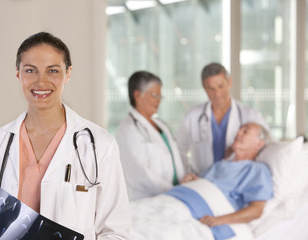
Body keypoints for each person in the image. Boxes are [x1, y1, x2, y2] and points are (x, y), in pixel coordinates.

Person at [0, 32, 131, 240]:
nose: (41, 81)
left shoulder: (99, 144)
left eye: (53, 71)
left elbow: (116, 231)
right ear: (18, 74)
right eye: (30, 70)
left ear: (68, 73)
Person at [129, 123, 273, 240]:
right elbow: (203, 186)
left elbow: (257, 210)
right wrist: (189, 182)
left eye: (245, 131)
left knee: (145, 232)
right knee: (124, 214)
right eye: (240, 129)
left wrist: (219, 220)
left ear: (259, 144)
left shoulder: (256, 170)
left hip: (195, 212)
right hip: (171, 198)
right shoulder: (220, 165)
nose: (239, 133)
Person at [176, 62, 269, 175]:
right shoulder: (192, 117)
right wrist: (187, 173)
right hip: (202, 180)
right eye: (211, 88)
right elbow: (179, 151)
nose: (217, 93)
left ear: (229, 82)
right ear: (204, 88)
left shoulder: (251, 115)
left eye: (221, 86)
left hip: (236, 178)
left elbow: (266, 148)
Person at [115, 71, 189, 201]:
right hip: (146, 200)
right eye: (154, 95)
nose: (158, 101)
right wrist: (172, 190)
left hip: (175, 196)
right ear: (138, 95)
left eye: (160, 96)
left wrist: (186, 177)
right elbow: (140, 172)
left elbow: (176, 157)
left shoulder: (161, 124)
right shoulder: (128, 130)